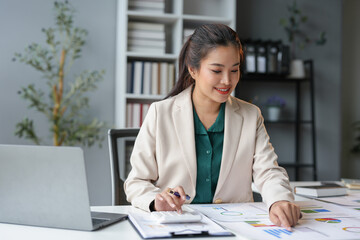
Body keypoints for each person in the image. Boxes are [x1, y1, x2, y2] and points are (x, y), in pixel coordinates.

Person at [124, 23, 301, 230]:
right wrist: (156, 200)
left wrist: (278, 200)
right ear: (193, 69)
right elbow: (136, 182)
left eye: (234, 70)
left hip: (235, 226)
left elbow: (269, 171)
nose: (227, 81)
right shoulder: (160, 113)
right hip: (178, 225)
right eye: (217, 70)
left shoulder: (251, 115)